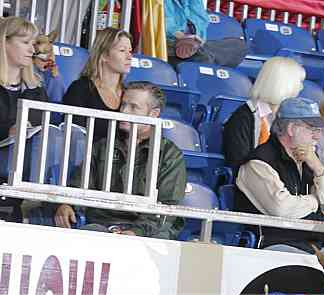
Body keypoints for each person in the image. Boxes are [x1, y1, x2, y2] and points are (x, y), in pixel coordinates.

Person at [53, 82, 186, 238]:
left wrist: (136, 232)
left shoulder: (170, 154)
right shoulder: (103, 145)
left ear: (154, 114)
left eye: (134, 107)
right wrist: (67, 204)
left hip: (147, 232)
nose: (124, 111)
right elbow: (80, 183)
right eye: (123, 104)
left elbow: (167, 207)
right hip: (101, 224)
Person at [233, 96, 324, 252]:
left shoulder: (310, 161)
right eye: (312, 129)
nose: (318, 136)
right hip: (276, 246)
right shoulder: (258, 163)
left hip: (315, 247)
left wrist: (319, 169)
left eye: (319, 130)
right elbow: (282, 210)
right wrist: (315, 201)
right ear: (291, 129)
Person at [222, 56, 305, 168]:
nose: (301, 88)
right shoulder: (242, 118)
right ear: (283, 84)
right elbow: (238, 163)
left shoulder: (287, 118)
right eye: (298, 82)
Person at [62, 27, 132, 144]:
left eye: (130, 51)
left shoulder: (130, 94)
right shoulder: (80, 89)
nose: (129, 57)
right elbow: (73, 136)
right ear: (104, 55)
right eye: (122, 50)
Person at [0, 16, 47, 137]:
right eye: (25, 42)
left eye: (33, 44)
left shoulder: (38, 91)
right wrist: (8, 132)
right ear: (4, 42)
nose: (32, 50)